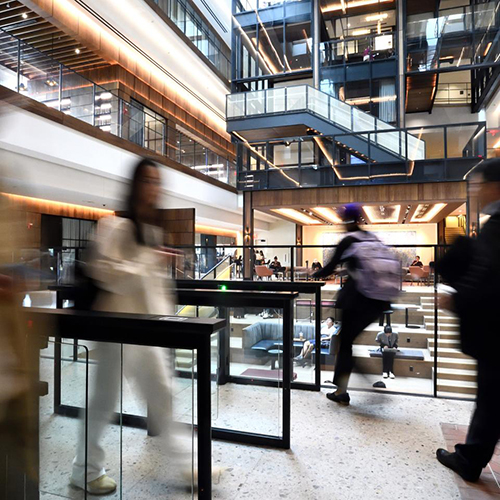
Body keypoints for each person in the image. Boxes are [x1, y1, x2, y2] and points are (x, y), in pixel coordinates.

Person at [70, 159, 190, 494]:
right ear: (135, 185)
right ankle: (85, 469)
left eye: (157, 181)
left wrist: (168, 324)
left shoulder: (151, 232)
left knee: (161, 395)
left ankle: (189, 467)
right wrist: (150, 260)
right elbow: (105, 272)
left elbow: (154, 290)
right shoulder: (116, 228)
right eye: (148, 180)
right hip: (117, 329)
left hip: (145, 332)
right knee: (105, 400)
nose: (154, 188)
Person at [435, 158, 500, 482]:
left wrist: (454, 299)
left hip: (496, 332)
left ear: (493, 186)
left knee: (490, 395)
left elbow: (490, 278)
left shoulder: (497, 226)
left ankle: (470, 458)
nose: (475, 192)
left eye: (478, 185)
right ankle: (471, 456)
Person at [312, 204, 399, 405]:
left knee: (344, 344)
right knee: (346, 341)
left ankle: (344, 390)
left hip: (356, 300)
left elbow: (327, 269)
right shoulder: (371, 238)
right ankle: (347, 386)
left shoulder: (348, 241)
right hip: (379, 302)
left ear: (344, 221)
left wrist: (313, 274)